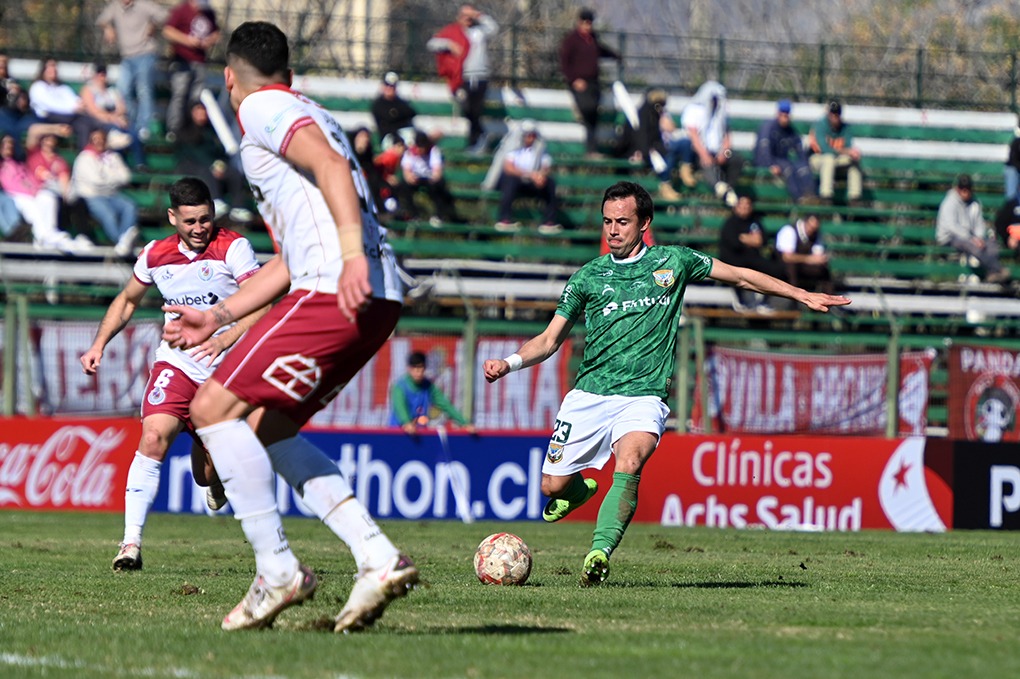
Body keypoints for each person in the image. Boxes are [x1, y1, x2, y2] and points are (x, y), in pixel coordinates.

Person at [161, 21, 419, 633]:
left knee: (211, 408)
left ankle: (277, 570)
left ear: (229, 77)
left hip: (339, 284)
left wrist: (351, 255)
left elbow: (330, 168)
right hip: (372, 292)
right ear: (291, 70)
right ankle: (377, 557)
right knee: (266, 427)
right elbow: (289, 254)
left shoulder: (265, 107)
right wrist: (220, 313)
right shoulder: (308, 108)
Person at [483, 181, 849, 586]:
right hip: (589, 394)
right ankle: (575, 492)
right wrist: (510, 362)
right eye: (607, 222)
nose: (612, 230)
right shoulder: (587, 277)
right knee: (551, 486)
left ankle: (598, 553)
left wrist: (801, 294)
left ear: (644, 224)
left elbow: (741, 277)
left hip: (644, 396)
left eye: (622, 221)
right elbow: (550, 340)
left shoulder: (673, 262)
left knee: (631, 460)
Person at [80, 177, 265, 571]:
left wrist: (226, 337)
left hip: (225, 372)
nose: (200, 229)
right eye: (190, 222)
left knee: (206, 477)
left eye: (205, 219)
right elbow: (128, 300)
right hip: (177, 364)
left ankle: (212, 469)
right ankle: (130, 544)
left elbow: (263, 303)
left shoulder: (233, 247)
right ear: (172, 217)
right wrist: (99, 344)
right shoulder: (155, 254)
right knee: (152, 436)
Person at [0, 133, 88, 252]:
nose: (9, 146)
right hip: (14, 195)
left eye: (11, 144)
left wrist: (36, 190)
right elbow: (8, 184)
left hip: (30, 192)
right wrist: (30, 192)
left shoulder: (18, 162)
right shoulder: (2, 165)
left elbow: (30, 178)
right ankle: (42, 236)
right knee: (31, 206)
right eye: (6, 144)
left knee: (47, 198)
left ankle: (51, 232)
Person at [427, 4, 498, 152]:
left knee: (476, 110)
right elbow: (432, 44)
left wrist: (479, 15)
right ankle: (481, 136)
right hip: (462, 77)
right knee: (466, 108)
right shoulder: (453, 31)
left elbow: (493, 28)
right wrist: (449, 44)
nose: (467, 19)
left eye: (469, 16)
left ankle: (475, 142)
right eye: (464, 15)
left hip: (480, 76)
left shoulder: (479, 32)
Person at [96, 0, 169, 142]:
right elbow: (101, 19)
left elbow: (165, 16)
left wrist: (153, 25)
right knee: (122, 90)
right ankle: (131, 122)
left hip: (145, 53)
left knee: (144, 90)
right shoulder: (115, 6)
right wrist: (108, 27)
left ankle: (144, 127)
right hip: (127, 56)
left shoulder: (143, 5)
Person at [173, 99, 252, 222]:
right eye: (198, 111)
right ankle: (215, 200)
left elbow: (219, 152)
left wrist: (220, 164)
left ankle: (238, 207)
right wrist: (212, 165)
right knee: (205, 171)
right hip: (190, 166)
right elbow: (189, 153)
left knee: (233, 172)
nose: (201, 114)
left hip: (213, 166)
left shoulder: (211, 132)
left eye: (203, 111)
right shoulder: (184, 131)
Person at [559, 7, 620, 158]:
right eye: (585, 22)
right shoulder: (571, 40)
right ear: (580, 22)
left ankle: (592, 150)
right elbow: (564, 62)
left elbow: (600, 50)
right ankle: (590, 147)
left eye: (590, 23)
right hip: (579, 82)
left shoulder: (593, 39)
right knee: (588, 108)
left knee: (593, 115)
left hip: (593, 82)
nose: (588, 26)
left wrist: (615, 55)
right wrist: (574, 80)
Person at [71, 127, 139, 256]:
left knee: (130, 206)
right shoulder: (84, 158)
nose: (99, 142)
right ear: (90, 141)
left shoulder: (112, 156)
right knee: (108, 214)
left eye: (102, 139)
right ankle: (121, 240)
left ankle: (124, 240)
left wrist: (107, 179)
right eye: (95, 139)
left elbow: (126, 177)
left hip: (112, 194)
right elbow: (96, 182)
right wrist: (114, 179)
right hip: (91, 196)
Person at [162, 0, 221, 139]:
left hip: (200, 61)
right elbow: (168, 31)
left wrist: (208, 41)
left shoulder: (208, 13)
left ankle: (193, 129)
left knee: (196, 98)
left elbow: (216, 32)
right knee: (179, 94)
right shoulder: (182, 10)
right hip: (182, 60)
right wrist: (187, 40)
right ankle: (174, 129)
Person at [677, 80, 742, 205]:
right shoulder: (694, 110)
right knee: (706, 163)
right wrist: (704, 154)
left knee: (736, 159)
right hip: (698, 151)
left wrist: (724, 152)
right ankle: (719, 188)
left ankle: (728, 187)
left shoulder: (722, 111)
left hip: (719, 151)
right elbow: (693, 135)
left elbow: (727, 134)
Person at [718, 192, 787, 310]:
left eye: (747, 205)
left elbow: (762, 240)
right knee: (736, 271)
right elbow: (734, 243)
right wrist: (751, 239)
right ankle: (741, 301)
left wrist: (744, 238)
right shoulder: (730, 222)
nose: (745, 208)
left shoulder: (755, 220)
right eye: (742, 205)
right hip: (735, 258)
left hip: (753, 258)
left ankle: (764, 302)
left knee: (776, 269)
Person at [937, 173, 1010, 284]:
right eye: (962, 188)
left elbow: (979, 224)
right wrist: (971, 238)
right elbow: (952, 227)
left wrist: (979, 237)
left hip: (970, 237)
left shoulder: (975, 203)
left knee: (991, 244)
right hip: (949, 238)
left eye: (967, 188)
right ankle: (997, 269)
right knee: (970, 245)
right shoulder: (949, 202)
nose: (965, 192)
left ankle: (992, 274)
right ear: (958, 189)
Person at [495, 120, 562, 234]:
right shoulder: (513, 147)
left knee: (550, 182)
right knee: (510, 180)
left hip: (533, 182)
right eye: (528, 135)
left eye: (533, 135)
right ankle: (504, 219)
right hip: (517, 181)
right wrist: (531, 175)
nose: (530, 138)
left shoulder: (541, 149)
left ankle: (549, 221)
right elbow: (508, 167)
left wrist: (541, 176)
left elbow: (546, 166)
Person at [390, 351, 476, 435]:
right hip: (398, 432)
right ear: (409, 369)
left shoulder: (428, 386)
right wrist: (407, 422)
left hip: (419, 433)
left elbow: (445, 404)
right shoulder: (400, 387)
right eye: (415, 368)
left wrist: (464, 423)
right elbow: (400, 407)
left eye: (421, 368)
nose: (418, 372)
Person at [80, 61, 146, 169]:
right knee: (116, 135)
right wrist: (112, 118)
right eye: (99, 73)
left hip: (116, 120)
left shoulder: (112, 91)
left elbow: (121, 108)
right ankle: (119, 166)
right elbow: (93, 111)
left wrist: (117, 117)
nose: (102, 76)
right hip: (101, 122)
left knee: (134, 132)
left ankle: (140, 164)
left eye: (104, 73)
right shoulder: (89, 90)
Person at [625, 87, 683, 202]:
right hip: (640, 150)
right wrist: (643, 151)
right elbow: (640, 137)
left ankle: (674, 178)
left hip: (652, 148)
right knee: (667, 154)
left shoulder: (655, 114)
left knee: (676, 148)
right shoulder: (643, 114)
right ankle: (665, 184)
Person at [27, 57, 98, 149]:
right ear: (44, 69)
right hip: (49, 117)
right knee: (84, 119)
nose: (53, 69)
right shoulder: (38, 87)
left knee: (84, 125)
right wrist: (73, 108)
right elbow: (51, 105)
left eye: (55, 67)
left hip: (70, 117)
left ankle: (84, 154)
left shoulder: (63, 87)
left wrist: (79, 104)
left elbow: (73, 99)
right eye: (50, 67)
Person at [754, 99, 817, 203]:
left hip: (782, 160)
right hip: (768, 161)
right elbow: (763, 150)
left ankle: (811, 195)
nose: (785, 117)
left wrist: (805, 163)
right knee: (788, 168)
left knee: (803, 168)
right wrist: (770, 164)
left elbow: (799, 150)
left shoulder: (790, 130)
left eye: (786, 115)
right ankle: (799, 198)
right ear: (778, 114)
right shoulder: (768, 127)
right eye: (782, 114)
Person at [398, 129, 460, 226]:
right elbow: (406, 171)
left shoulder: (433, 151)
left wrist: (434, 177)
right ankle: (413, 215)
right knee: (404, 187)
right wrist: (410, 177)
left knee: (438, 187)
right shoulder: (409, 152)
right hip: (416, 178)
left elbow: (437, 171)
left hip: (430, 178)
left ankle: (439, 216)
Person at [808, 99, 863, 204]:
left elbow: (849, 146)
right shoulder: (820, 125)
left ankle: (855, 199)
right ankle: (826, 196)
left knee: (853, 162)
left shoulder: (845, 128)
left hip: (836, 160)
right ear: (828, 114)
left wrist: (854, 154)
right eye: (832, 114)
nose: (834, 117)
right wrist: (847, 151)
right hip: (816, 159)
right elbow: (825, 149)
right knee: (829, 158)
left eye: (837, 114)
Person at [774, 213, 834, 294]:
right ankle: (793, 299)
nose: (812, 230)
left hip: (802, 266)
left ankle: (828, 298)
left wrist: (820, 259)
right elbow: (787, 257)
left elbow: (817, 252)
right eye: (810, 226)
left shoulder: (816, 234)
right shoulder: (789, 230)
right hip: (782, 265)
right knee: (791, 267)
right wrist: (809, 259)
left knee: (823, 269)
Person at [370, 71, 417, 143]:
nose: (389, 88)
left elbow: (412, 112)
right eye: (387, 85)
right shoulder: (378, 104)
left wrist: (396, 114)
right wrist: (399, 116)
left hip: (404, 133)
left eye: (392, 86)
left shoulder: (400, 101)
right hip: (388, 137)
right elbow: (388, 118)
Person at [1004, 119, 1020, 201]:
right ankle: (1012, 208)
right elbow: (1013, 159)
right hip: (1013, 168)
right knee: (1012, 195)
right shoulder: (1017, 141)